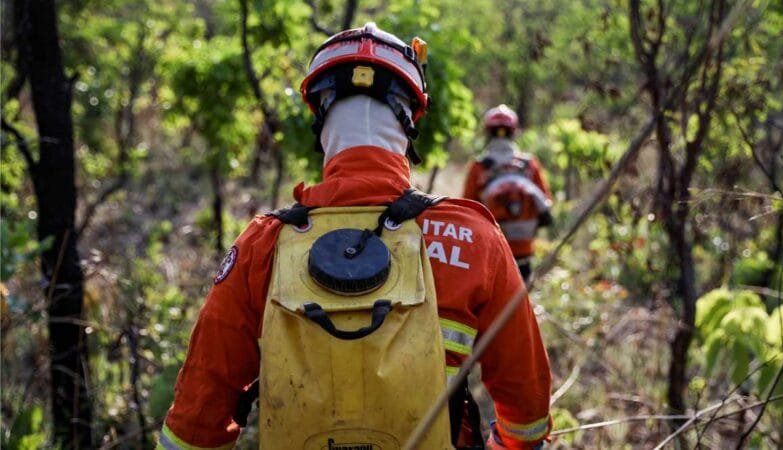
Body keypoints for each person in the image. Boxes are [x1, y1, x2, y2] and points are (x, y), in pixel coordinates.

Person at [157, 23, 551, 450]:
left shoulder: (262, 245)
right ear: (410, 119)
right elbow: (526, 415)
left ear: (319, 115)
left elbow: (195, 423)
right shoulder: (472, 237)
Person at [462, 105, 553, 282]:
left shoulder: (479, 167)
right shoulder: (529, 164)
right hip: (524, 249)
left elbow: (467, 209)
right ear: (514, 131)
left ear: (488, 132)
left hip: (492, 248)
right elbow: (546, 202)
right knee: (521, 298)